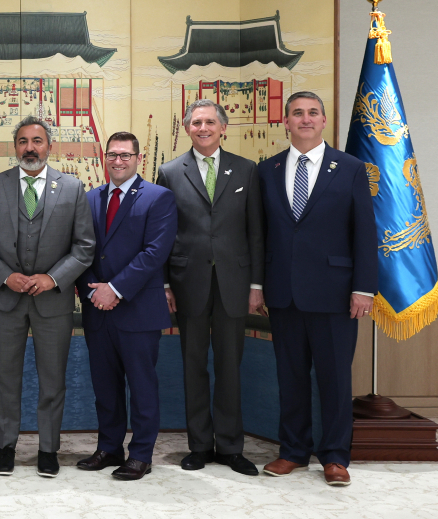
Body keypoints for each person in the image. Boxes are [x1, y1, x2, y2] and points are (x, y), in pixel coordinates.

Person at [257, 91, 376, 487]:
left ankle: (336, 456)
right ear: (286, 123)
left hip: (336, 294)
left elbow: (365, 233)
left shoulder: (351, 168)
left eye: (312, 113)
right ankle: (292, 451)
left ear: (324, 121)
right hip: (283, 293)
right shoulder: (268, 169)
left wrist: (364, 288)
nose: (305, 119)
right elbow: (260, 235)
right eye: (297, 114)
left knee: (335, 379)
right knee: (290, 377)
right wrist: (258, 285)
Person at [0, 116, 95, 478]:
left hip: (53, 301)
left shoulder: (72, 187)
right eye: (23, 141)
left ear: (49, 146)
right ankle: (5, 445)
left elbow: (84, 247)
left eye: (37, 141)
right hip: (4, 300)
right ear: (15, 147)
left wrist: (53, 278)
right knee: (5, 378)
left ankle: (47, 448)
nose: (30, 148)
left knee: (52, 378)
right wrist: (5, 276)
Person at [156, 99, 264, 476]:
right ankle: (199, 445)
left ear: (222, 128)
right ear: (188, 129)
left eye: (209, 122)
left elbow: (255, 232)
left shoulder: (247, 170)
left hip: (234, 284)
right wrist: (165, 282)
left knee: (230, 367)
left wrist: (256, 284)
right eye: (196, 122)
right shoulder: (169, 172)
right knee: (193, 365)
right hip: (189, 283)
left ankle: (232, 447)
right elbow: (163, 234)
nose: (202, 128)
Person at [75, 131, 177, 481]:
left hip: (137, 309)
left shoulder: (158, 197)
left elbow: (155, 253)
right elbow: (79, 250)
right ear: (105, 158)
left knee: (142, 385)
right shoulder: (89, 198)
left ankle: (142, 454)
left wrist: (115, 289)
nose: (118, 161)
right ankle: (109, 447)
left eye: (125, 155)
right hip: (96, 309)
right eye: (112, 154)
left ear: (138, 158)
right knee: (105, 385)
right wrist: (92, 291)